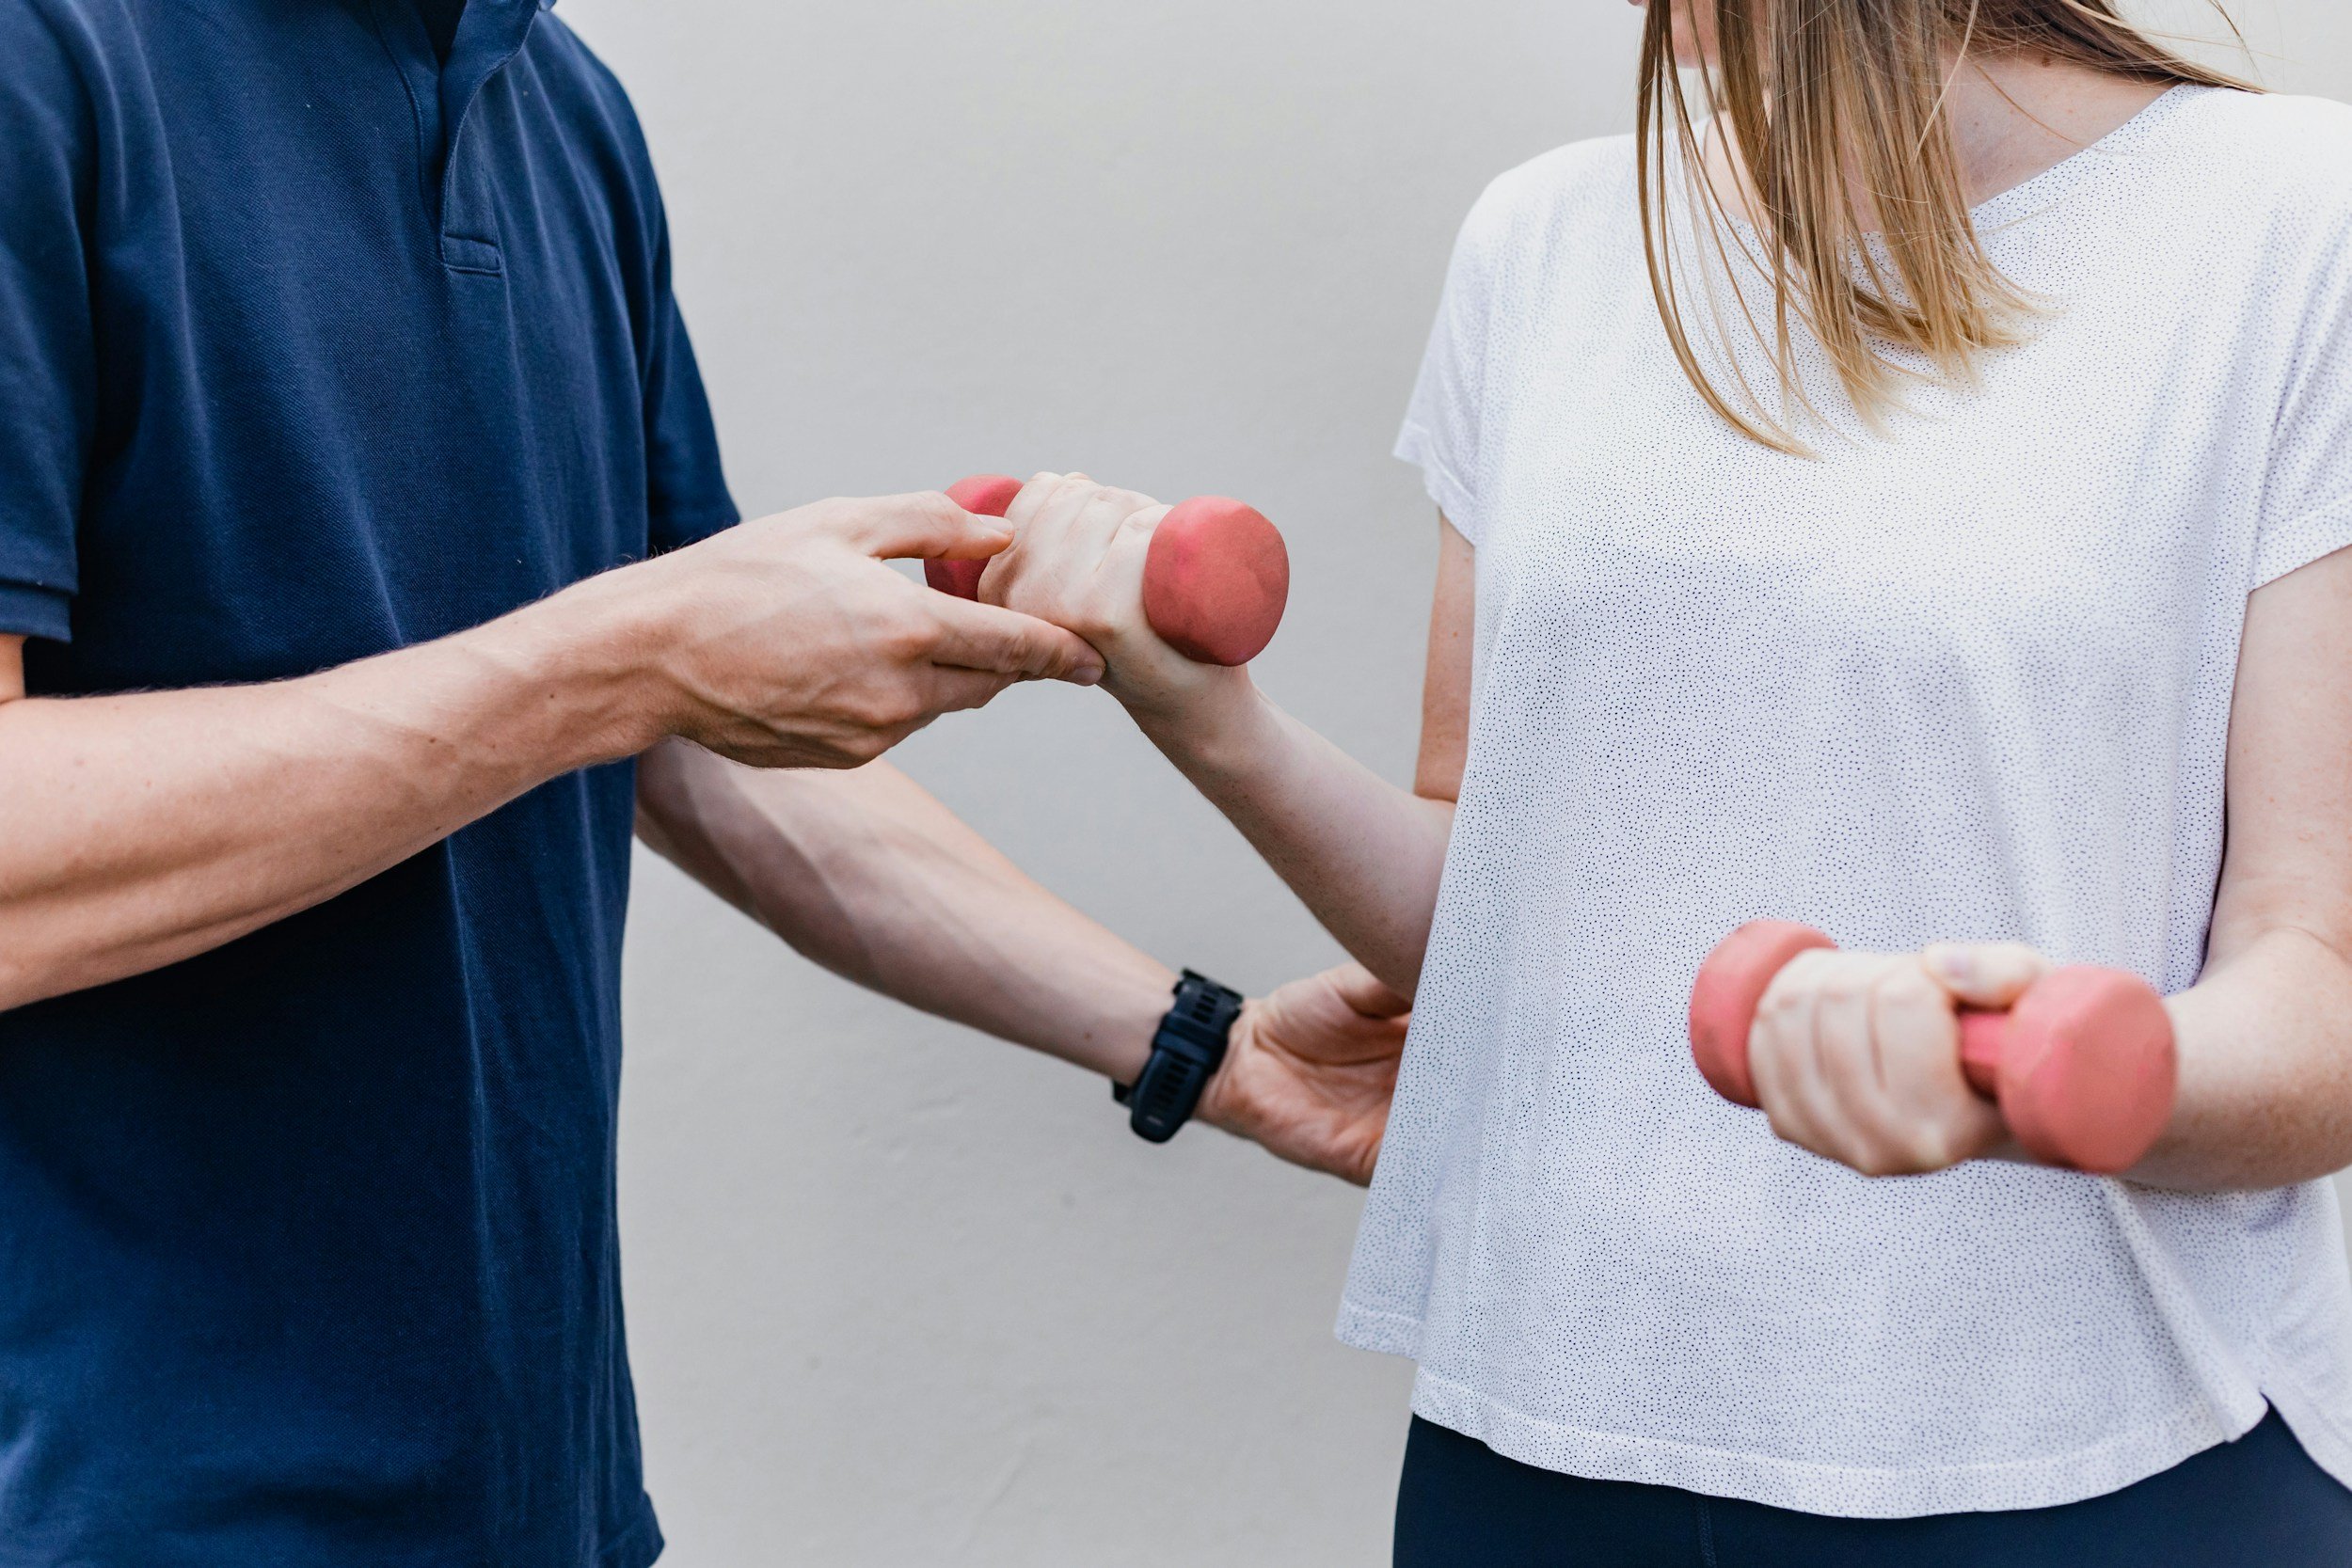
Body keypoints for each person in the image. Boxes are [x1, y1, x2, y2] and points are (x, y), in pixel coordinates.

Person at [0, 1, 1406, 1563]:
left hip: (549, 1508)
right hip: (126, 1512)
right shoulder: (46, 57)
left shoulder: (567, 112)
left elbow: (680, 738)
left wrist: (1209, 1053)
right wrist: (631, 651)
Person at [974, 0, 2352, 1561]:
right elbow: (1495, 920)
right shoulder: (1545, 241)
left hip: (2096, 1466)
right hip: (1538, 1444)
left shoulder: (2293, 222)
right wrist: (1205, 717)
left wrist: (2024, 1080)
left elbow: (2318, 987)